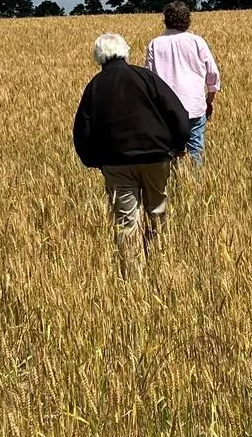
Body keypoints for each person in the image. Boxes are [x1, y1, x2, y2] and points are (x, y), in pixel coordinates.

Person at [72, 31, 193, 267]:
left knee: (127, 221)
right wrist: (179, 145)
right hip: (156, 156)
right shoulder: (146, 77)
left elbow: (82, 130)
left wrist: (94, 160)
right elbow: (177, 112)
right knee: (157, 210)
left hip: (116, 162)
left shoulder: (95, 86)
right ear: (125, 51)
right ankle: (162, 264)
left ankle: (133, 277)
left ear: (99, 58)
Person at [144, 0, 221, 162]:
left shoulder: (155, 44)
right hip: (194, 105)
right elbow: (212, 73)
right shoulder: (197, 41)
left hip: (166, 110)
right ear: (187, 19)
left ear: (165, 20)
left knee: (169, 151)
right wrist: (209, 100)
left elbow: (149, 79)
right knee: (195, 150)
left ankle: (173, 183)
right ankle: (196, 184)